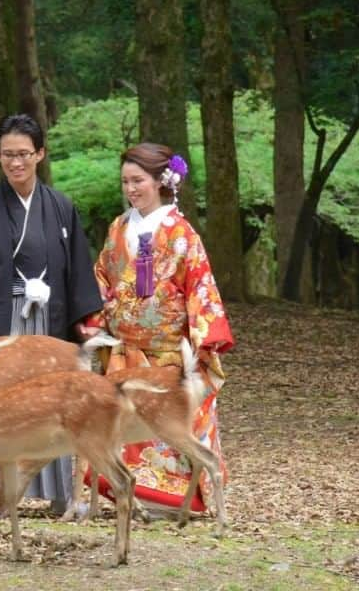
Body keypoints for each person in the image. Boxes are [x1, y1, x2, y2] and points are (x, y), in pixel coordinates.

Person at [0, 113, 103, 515]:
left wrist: (85, 319)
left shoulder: (61, 207)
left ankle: (59, 492)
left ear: (40, 155)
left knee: (52, 400)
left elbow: (78, 267)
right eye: (8, 155)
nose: (16, 163)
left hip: (50, 320)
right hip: (1, 319)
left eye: (24, 154)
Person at [89, 142, 233, 517]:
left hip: (168, 352)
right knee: (125, 420)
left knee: (168, 424)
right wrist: (95, 320)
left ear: (161, 182)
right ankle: (129, 494)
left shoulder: (182, 233)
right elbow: (102, 277)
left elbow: (200, 285)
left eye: (138, 180)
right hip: (125, 349)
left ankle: (171, 502)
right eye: (125, 181)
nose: (131, 189)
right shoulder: (118, 228)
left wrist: (208, 333)